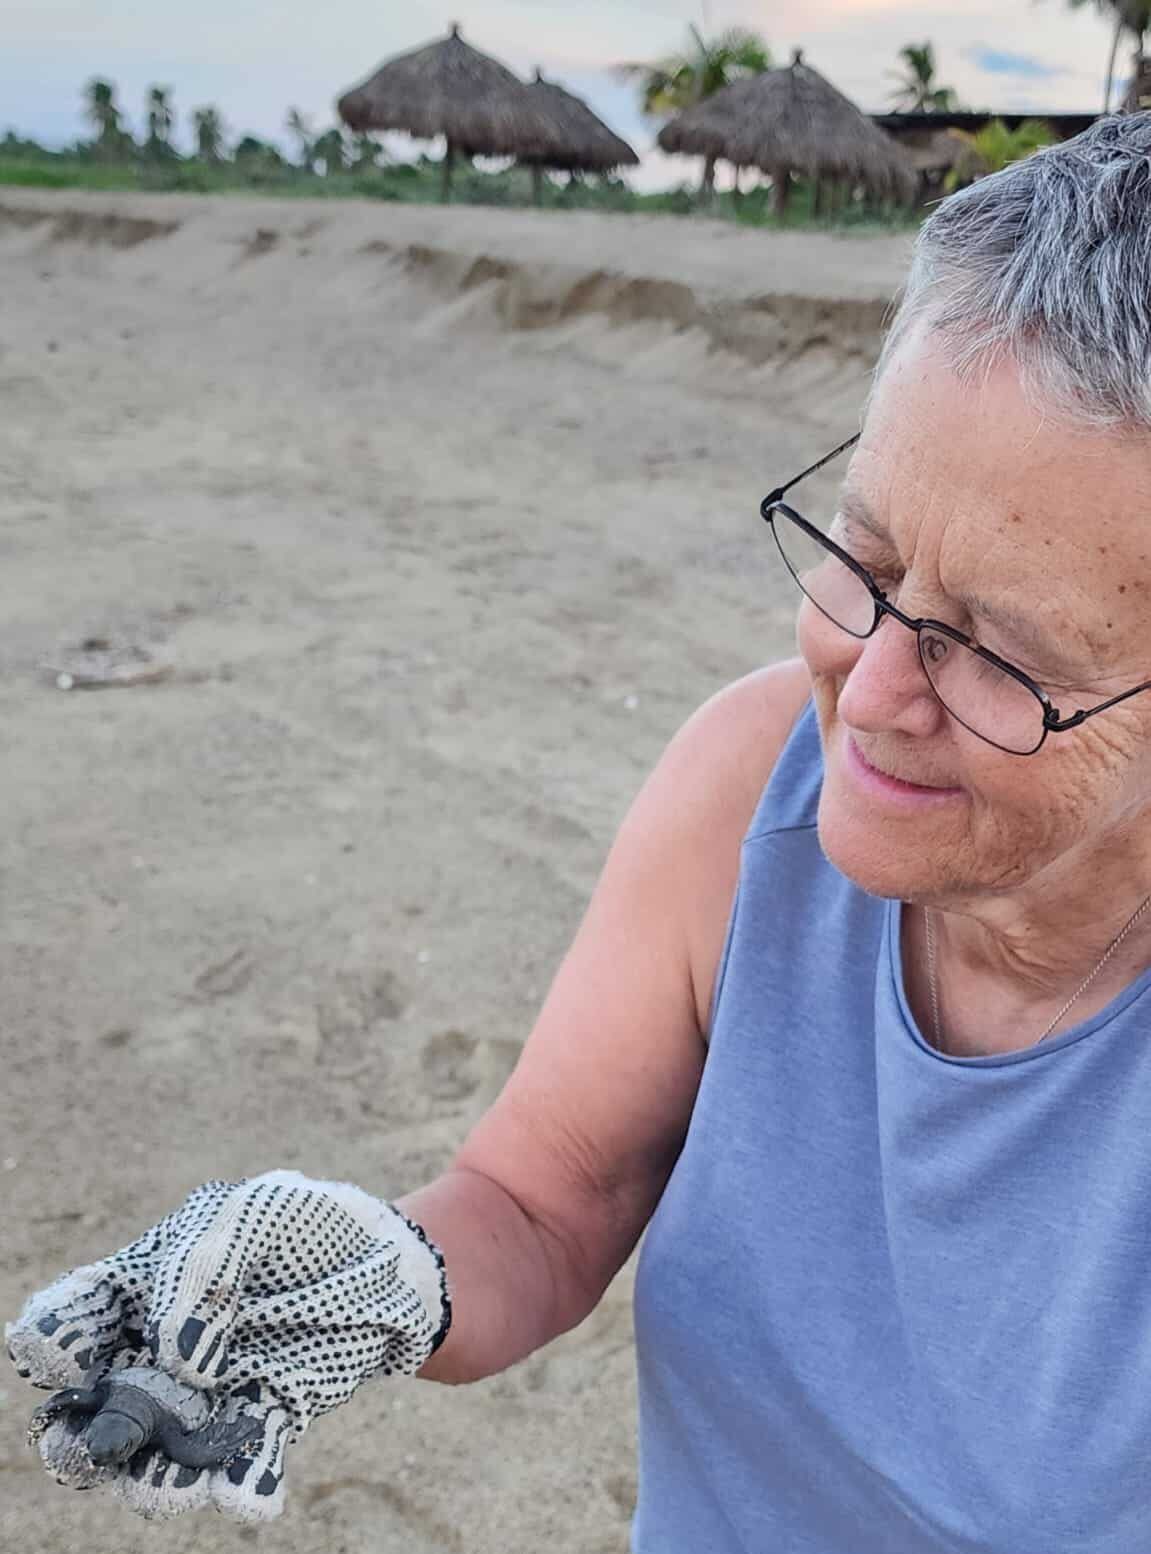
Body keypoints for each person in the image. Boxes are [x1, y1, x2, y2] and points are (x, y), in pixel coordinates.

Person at [11, 109, 1151, 1549]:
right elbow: (547, 1195)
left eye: (998, 653)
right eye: (864, 559)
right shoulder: (753, 782)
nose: (866, 692)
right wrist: (386, 1273)